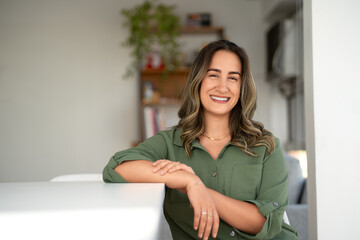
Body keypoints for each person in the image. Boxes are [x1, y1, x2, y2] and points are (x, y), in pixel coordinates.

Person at [103, 40, 298, 240]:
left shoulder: (266, 145)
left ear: (241, 87)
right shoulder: (170, 142)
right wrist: (188, 181)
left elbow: (265, 223)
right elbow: (116, 169)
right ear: (198, 81)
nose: (223, 87)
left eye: (233, 78)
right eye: (213, 75)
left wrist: (202, 192)